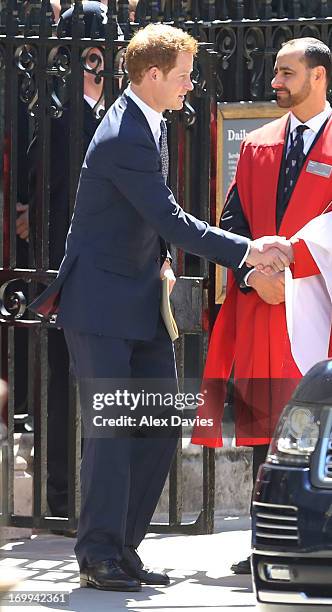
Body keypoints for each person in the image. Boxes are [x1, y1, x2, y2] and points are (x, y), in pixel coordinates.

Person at [29, 23, 292, 592]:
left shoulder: (150, 122)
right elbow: (169, 215)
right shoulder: (125, 133)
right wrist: (250, 249)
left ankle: (122, 547)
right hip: (100, 307)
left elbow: (151, 218)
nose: (189, 86)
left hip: (140, 302)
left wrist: (167, 258)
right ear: (152, 76)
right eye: (182, 76)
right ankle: (97, 553)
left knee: (155, 425)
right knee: (114, 429)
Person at [192, 36, 332, 574]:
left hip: (318, 309)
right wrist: (255, 278)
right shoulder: (257, 143)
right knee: (264, 430)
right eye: (275, 72)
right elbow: (232, 226)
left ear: (318, 77)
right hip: (261, 309)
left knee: (317, 426)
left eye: (287, 73)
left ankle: (316, 542)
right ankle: (264, 543)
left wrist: (291, 273)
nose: (275, 82)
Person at [27, 2, 112, 525]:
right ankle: (62, 494)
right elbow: (36, 187)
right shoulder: (53, 111)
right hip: (62, 266)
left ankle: (93, 490)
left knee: (102, 382)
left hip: (111, 272)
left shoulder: (120, 110)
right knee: (62, 379)